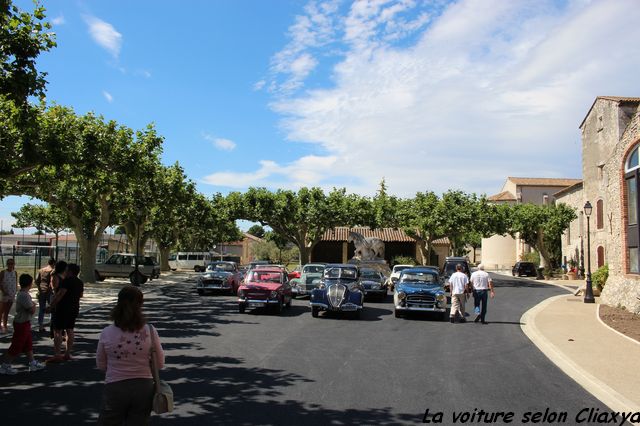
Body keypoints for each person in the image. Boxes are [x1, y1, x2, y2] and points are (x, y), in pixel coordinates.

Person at [97, 286, 165, 425]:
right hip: (143, 387)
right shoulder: (150, 331)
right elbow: (159, 363)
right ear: (140, 305)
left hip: (115, 386)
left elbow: (101, 364)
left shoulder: (107, 332)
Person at [0, 274, 46, 375]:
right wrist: (33, 304)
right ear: (30, 283)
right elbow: (32, 310)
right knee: (17, 345)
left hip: (25, 322)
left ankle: (32, 363)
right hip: (22, 323)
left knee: (28, 344)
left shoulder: (24, 294)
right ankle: (5, 365)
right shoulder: (24, 295)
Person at [48, 263, 83, 361]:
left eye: (67, 270)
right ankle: (67, 353)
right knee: (70, 330)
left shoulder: (66, 281)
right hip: (74, 308)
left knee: (58, 331)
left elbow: (60, 295)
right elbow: (81, 295)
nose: (65, 271)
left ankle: (57, 354)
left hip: (62, 308)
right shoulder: (80, 282)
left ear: (70, 271)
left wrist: (51, 306)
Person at [35, 258, 56, 332]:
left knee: (41, 309)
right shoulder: (53, 271)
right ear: (54, 263)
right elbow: (52, 281)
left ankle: (40, 326)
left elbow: (37, 280)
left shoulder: (41, 270)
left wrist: (39, 288)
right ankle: (52, 325)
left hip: (41, 291)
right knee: (52, 308)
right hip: (49, 291)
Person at [0, 258, 18, 333]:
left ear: (14, 264)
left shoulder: (15, 272)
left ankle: (5, 326)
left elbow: (15, 282)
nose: (11, 265)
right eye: (9, 263)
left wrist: (16, 291)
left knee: (7, 312)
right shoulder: (3, 272)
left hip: (12, 295)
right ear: (7, 264)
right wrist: (4, 291)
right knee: (1, 311)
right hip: (4, 295)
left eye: (12, 263)